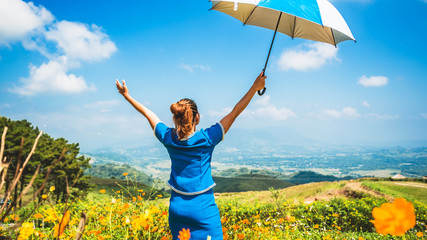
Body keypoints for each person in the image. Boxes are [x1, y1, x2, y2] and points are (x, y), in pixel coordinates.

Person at [115, 72, 266, 240]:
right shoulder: (207, 138)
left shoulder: (168, 137)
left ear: (175, 118)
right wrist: (255, 87)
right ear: (197, 117)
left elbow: (148, 113)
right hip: (203, 210)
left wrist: (127, 96)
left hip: (176, 209)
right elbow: (235, 112)